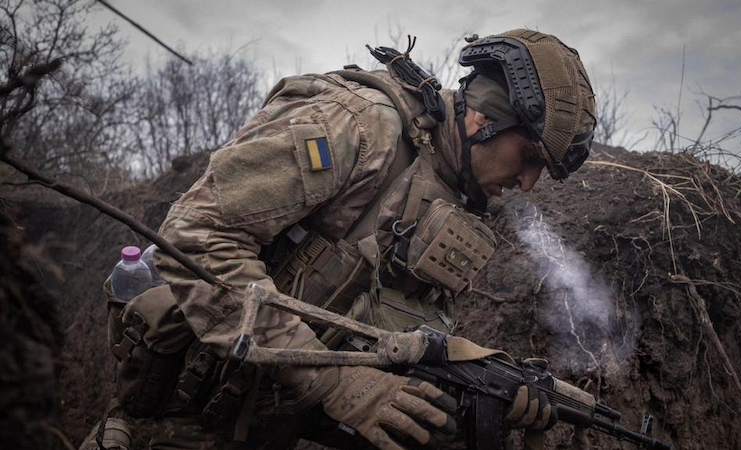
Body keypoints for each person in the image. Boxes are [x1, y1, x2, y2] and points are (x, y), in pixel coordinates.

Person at [84, 28, 596, 450]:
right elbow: (196, 232)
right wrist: (329, 380)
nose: (527, 184)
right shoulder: (362, 128)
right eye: (528, 157)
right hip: (181, 422)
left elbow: (385, 334)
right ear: (484, 119)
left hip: (276, 426)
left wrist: (493, 388)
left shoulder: (448, 198)